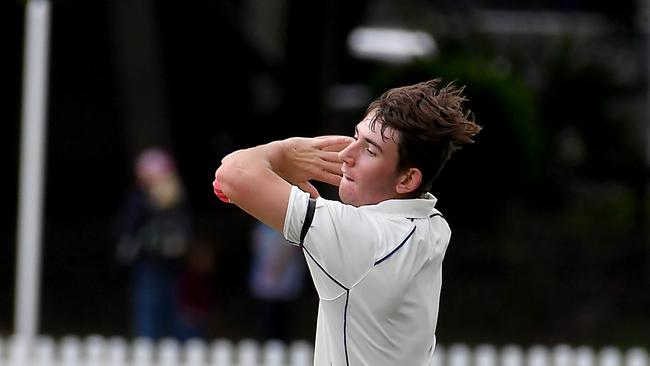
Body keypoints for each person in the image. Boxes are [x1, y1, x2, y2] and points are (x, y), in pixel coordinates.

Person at [213, 79, 481, 365]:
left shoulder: (364, 239)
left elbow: (232, 175)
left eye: (370, 150)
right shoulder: (431, 221)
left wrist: (283, 155)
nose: (345, 155)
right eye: (356, 137)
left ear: (407, 179)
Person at [115, 147, 194, 340]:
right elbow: (127, 229)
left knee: (171, 310)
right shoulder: (141, 199)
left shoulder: (174, 199)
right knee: (150, 310)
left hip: (171, 266)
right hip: (149, 265)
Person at [248, 220, 306, 341]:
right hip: (265, 279)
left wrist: (279, 265)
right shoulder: (261, 227)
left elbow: (290, 248)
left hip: (285, 280)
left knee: (283, 317)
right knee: (267, 315)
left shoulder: (288, 225)